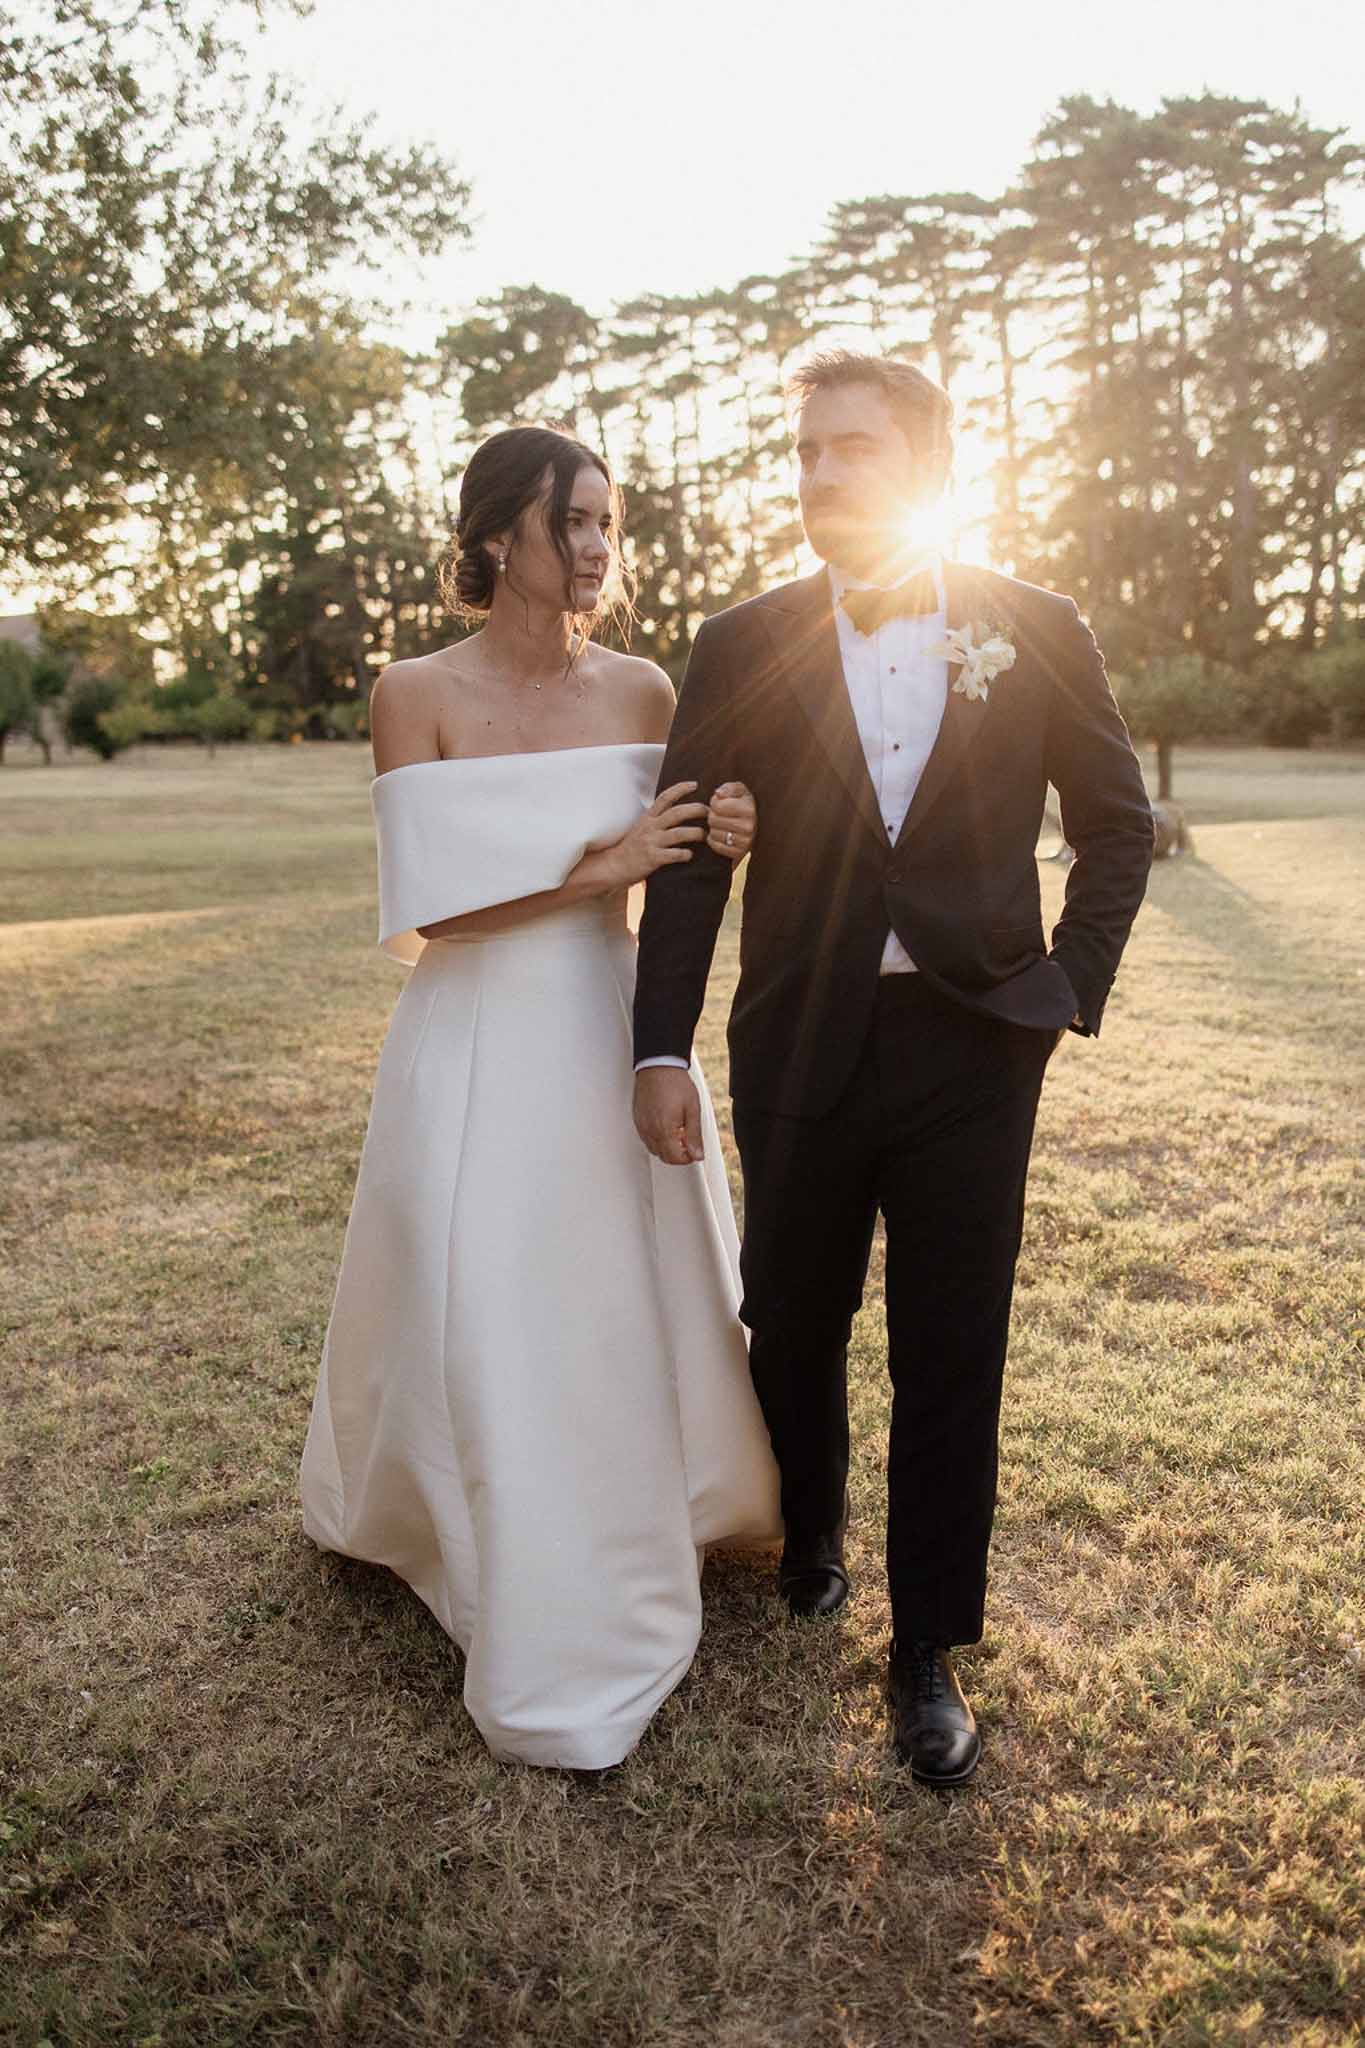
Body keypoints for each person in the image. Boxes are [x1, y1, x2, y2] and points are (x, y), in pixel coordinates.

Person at [632, 349, 1153, 1786]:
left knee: (949, 1350)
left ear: (920, 467)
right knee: (788, 1318)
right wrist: (657, 1042)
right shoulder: (740, 640)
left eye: (847, 449)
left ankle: (923, 1648)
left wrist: (1065, 985)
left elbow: (1115, 821)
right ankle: (808, 1524)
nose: (816, 474)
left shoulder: (1033, 623)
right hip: (797, 1032)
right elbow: (685, 861)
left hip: (974, 1045)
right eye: (802, 452)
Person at [300, 424, 780, 1771]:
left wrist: (725, 828)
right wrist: (598, 862)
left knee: (622, 1273)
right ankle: (471, 1522)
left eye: (605, 523)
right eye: (570, 521)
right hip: (474, 1028)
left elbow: (683, 859)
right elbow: (432, 912)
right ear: (500, 531)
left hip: (606, 1019)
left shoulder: (641, 687)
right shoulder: (415, 691)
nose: (594, 548)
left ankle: (670, 1489)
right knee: (484, 1289)